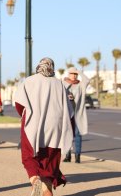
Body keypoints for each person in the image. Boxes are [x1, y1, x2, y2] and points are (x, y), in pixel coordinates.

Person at [14, 58, 74, 196]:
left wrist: (25, 115)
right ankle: (47, 190)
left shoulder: (29, 81)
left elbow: (19, 104)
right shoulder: (59, 84)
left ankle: (35, 180)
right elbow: (69, 111)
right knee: (49, 162)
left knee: (29, 156)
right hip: (55, 128)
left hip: (33, 126)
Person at [63, 66, 90, 163]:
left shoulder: (81, 85)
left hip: (78, 114)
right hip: (67, 114)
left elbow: (87, 80)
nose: (74, 76)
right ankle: (67, 155)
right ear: (68, 74)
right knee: (67, 134)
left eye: (75, 74)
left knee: (78, 135)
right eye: (72, 73)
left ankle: (77, 156)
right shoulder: (63, 84)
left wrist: (79, 71)